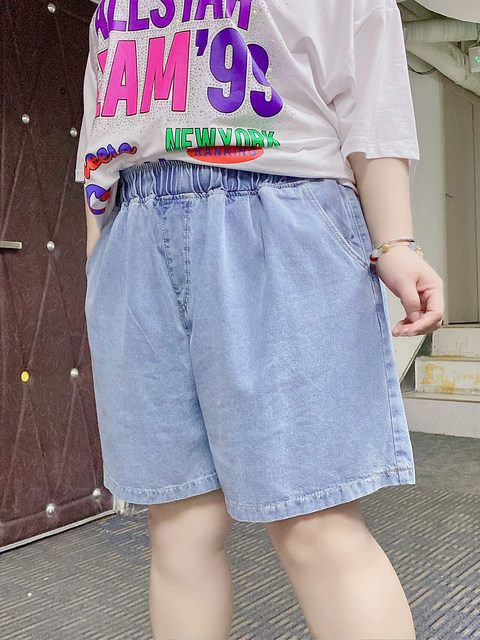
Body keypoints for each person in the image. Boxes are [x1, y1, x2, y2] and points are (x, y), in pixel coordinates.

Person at [76, 1, 444, 638]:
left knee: (315, 524)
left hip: (279, 210)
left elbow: (371, 102)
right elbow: (98, 134)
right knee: (177, 525)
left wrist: (396, 242)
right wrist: (99, 265)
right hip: (133, 229)